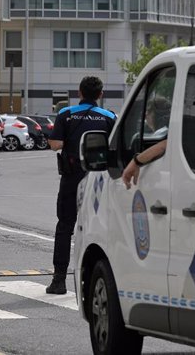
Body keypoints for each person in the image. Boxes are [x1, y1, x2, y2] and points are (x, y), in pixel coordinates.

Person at [45, 76, 116, 295]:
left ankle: (59, 280)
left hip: (71, 177)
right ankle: (97, 280)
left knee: (65, 226)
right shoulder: (109, 117)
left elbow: (55, 144)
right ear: (100, 94)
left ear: (79, 93)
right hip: (99, 180)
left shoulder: (66, 114)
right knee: (101, 229)